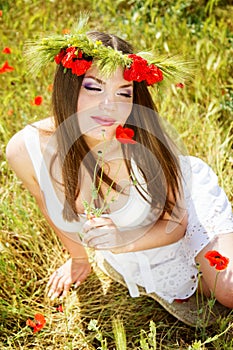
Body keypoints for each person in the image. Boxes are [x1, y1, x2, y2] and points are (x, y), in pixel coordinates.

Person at [6, 18, 233, 326]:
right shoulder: (25, 149)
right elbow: (47, 203)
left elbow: (176, 223)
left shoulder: (142, 140)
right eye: (94, 87)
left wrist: (121, 240)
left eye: (124, 93)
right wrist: (78, 259)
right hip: (135, 235)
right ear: (69, 85)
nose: (109, 106)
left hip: (181, 208)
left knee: (228, 289)